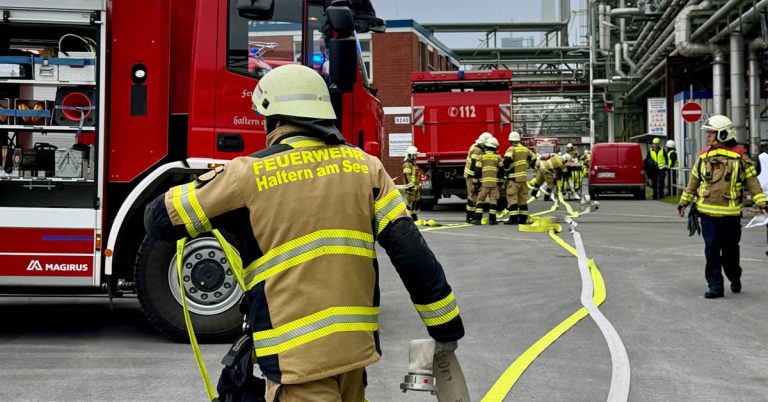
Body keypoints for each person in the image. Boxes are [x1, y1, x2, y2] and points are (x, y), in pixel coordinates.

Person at [143, 64, 464, 400]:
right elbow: (411, 254)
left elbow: (158, 220)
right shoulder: (367, 168)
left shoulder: (246, 175)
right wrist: (445, 327)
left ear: (274, 120)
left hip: (295, 361)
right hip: (354, 353)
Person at [678, 115, 767, 299]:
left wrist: (762, 202)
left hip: (731, 215)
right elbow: (693, 181)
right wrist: (683, 202)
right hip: (707, 213)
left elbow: (752, 182)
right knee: (711, 249)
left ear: (723, 134)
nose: (708, 136)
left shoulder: (740, 156)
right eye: (708, 133)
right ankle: (715, 286)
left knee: (730, 253)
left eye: (711, 133)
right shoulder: (704, 156)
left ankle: (734, 276)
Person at [503, 131, 536, 225]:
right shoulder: (525, 149)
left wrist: (506, 169)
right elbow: (534, 157)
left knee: (512, 198)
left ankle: (513, 219)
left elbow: (506, 160)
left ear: (510, 141)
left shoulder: (511, 149)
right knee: (522, 199)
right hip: (523, 178)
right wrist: (529, 165)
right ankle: (522, 219)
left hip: (514, 178)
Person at [471, 136, 502, 225]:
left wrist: (475, 182)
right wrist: (500, 181)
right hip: (494, 184)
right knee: (493, 200)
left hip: (483, 184)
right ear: (495, 147)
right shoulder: (498, 157)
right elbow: (501, 170)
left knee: (480, 200)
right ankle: (492, 220)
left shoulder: (481, 157)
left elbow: (477, 171)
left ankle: (478, 219)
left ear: (486, 146)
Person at [464, 133, 491, 223]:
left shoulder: (474, 146)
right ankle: (470, 217)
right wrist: (476, 179)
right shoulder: (477, 150)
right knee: (472, 195)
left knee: (472, 195)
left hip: (470, 175)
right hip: (471, 176)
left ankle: (470, 216)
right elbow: (474, 165)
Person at [403, 145, 423, 224]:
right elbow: (406, 176)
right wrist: (411, 186)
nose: (416, 156)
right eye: (414, 155)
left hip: (416, 187)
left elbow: (416, 176)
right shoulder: (407, 164)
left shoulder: (413, 164)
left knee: (417, 201)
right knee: (410, 202)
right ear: (409, 155)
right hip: (411, 188)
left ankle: (414, 215)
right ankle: (408, 216)